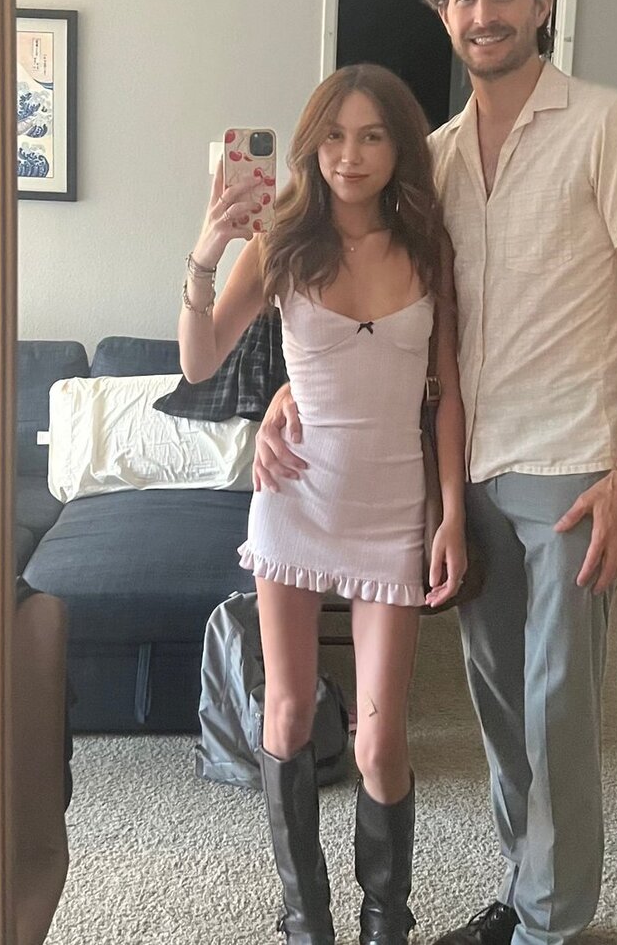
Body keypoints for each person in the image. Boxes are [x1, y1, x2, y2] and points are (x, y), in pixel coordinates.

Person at [253, 0, 617, 945]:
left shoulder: (611, 126)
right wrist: (287, 392)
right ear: (442, 12)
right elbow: (387, 323)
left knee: (557, 707)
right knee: (499, 708)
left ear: (543, 3)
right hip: (465, 470)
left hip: (575, 463)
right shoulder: (435, 160)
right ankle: (521, 890)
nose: (483, 13)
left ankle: (550, 924)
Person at [177, 63, 467, 945]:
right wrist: (205, 253)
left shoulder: (429, 248)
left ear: (399, 147)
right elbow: (199, 360)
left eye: (372, 135)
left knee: (380, 740)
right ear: (311, 145)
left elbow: (447, 393)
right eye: (334, 136)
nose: (350, 154)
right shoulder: (282, 244)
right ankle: (307, 923)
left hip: (393, 509)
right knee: (289, 712)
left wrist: (452, 511)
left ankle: (387, 925)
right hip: (294, 502)